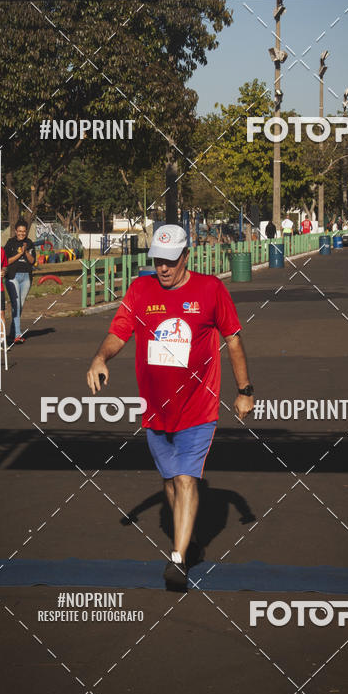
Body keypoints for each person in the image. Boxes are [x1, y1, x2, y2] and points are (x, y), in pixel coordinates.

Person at [86, 224, 254, 590]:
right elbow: (120, 331)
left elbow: (234, 340)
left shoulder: (211, 289)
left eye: (170, 261)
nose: (162, 268)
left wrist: (245, 389)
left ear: (186, 256)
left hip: (199, 406)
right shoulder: (141, 290)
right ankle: (186, 535)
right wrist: (101, 358)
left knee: (185, 478)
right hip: (156, 410)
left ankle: (177, 560)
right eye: (157, 261)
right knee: (169, 482)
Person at [4, 219, 36, 344]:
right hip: (13, 277)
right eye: (19, 231)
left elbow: (32, 261)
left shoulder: (29, 243)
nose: (21, 234)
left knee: (20, 305)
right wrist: (19, 254)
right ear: (16, 231)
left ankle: (13, 331)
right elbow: (6, 261)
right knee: (16, 304)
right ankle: (17, 334)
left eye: (24, 231)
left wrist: (26, 252)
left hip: (26, 277)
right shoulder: (10, 243)